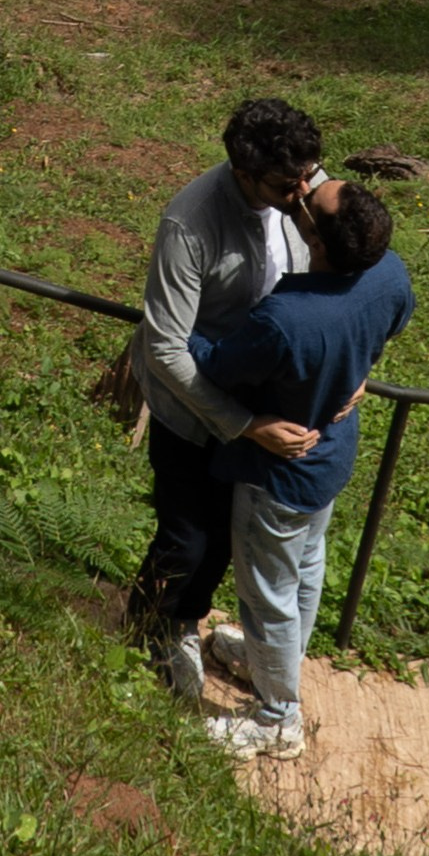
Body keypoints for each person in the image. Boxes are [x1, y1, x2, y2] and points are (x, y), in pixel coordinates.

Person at [190, 180, 412, 762]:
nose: (305, 187)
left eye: (311, 197)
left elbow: (215, 367)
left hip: (278, 477)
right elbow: (390, 325)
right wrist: (358, 369)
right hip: (331, 457)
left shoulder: (287, 317)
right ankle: (271, 663)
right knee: (306, 572)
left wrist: (179, 323)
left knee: (268, 598)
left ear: (312, 236)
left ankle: (275, 719)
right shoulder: (389, 272)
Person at [127, 95, 329, 701]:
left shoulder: (298, 186)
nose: (302, 194)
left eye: (308, 175)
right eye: (285, 184)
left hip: (260, 405)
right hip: (197, 412)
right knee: (188, 536)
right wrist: (244, 425)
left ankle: (185, 619)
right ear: (242, 173)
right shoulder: (191, 222)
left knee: (234, 535)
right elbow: (165, 350)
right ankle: (152, 631)